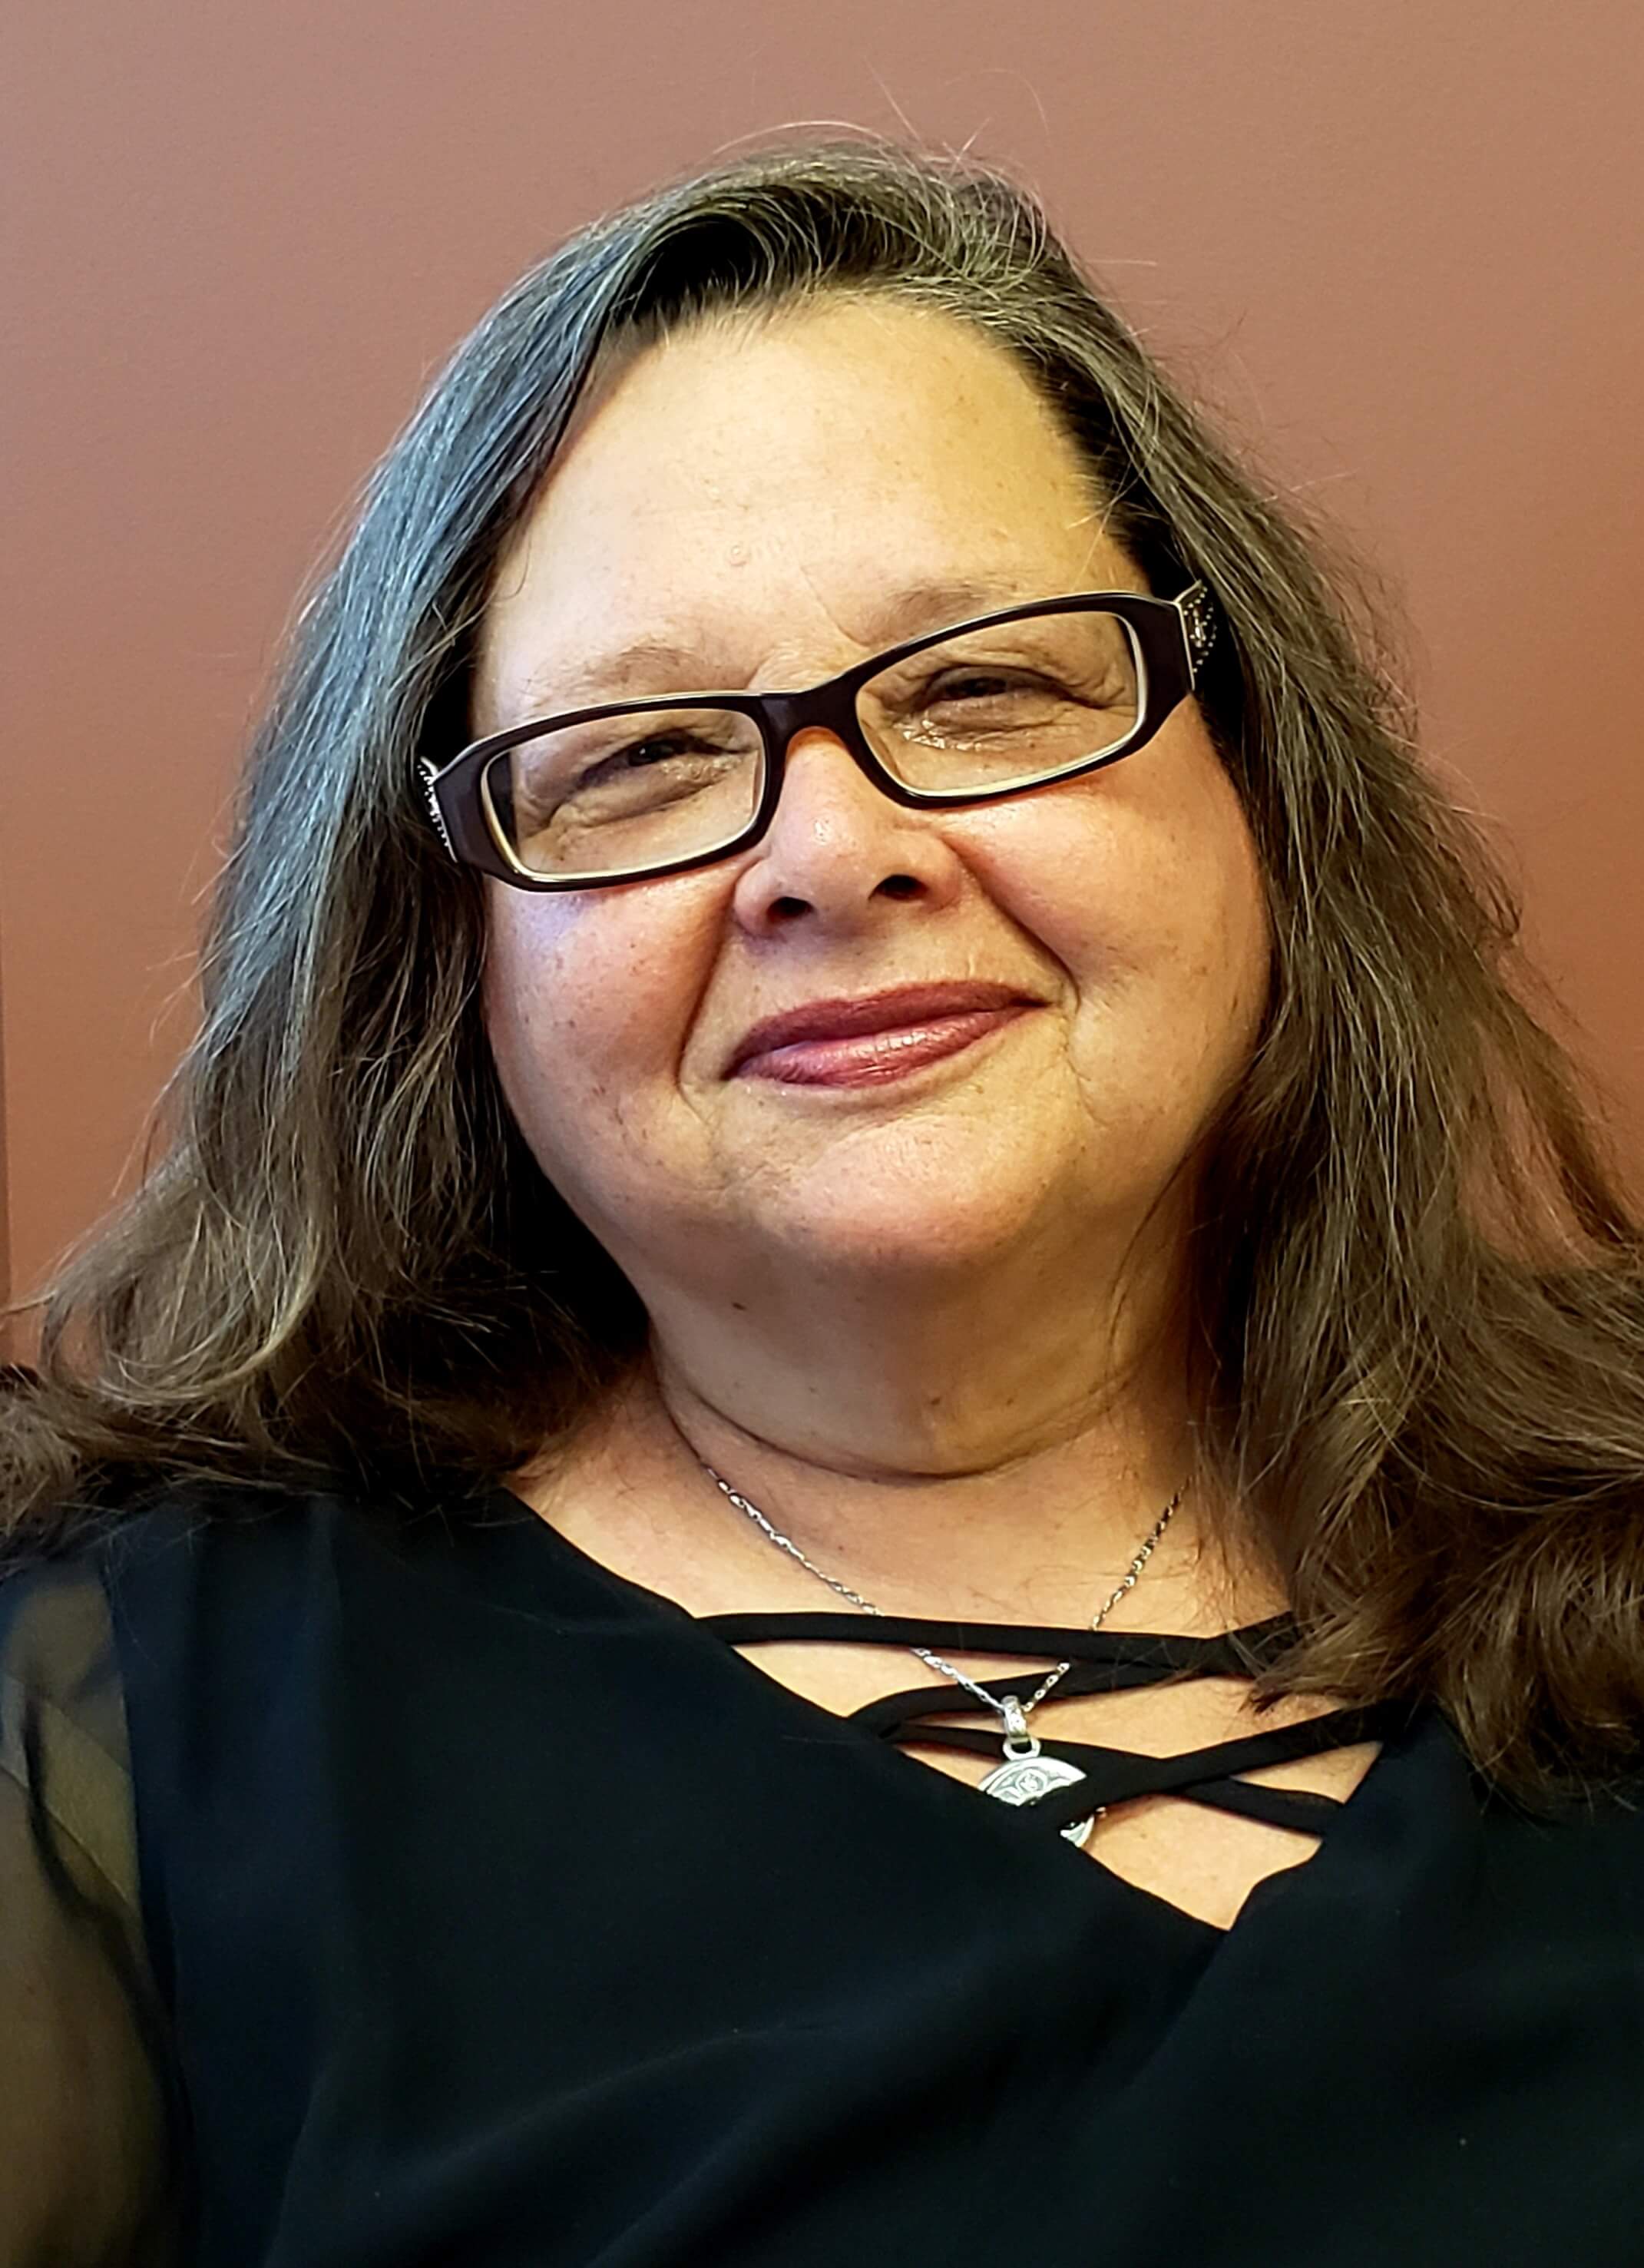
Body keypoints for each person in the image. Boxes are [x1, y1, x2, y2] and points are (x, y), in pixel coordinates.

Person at [3, 135, 1643, 2267]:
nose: (832, 852)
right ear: (444, 951)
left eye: (985, 686)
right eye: (641, 756)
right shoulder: (123, 1728)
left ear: (1257, 783)